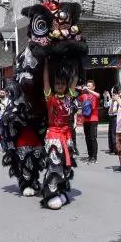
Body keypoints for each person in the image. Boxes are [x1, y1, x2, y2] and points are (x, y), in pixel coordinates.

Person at [41, 61, 78, 209]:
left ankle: (61, 191)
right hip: (54, 136)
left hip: (67, 135)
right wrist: (45, 63)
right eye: (58, 83)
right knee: (55, 166)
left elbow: (74, 78)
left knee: (66, 168)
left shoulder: (70, 96)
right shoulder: (50, 98)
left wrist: (75, 60)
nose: (60, 85)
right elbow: (45, 81)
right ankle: (50, 195)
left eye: (63, 83)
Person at [78, 79, 100, 163]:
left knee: (93, 138)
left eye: (90, 86)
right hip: (85, 120)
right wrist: (80, 89)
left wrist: (89, 90)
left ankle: (94, 157)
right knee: (87, 138)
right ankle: (90, 156)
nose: (88, 87)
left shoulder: (95, 95)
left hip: (93, 119)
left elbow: (98, 95)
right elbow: (78, 98)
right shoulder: (84, 96)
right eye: (87, 86)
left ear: (93, 87)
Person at [106, 86, 119, 154]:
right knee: (110, 133)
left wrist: (113, 101)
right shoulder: (111, 99)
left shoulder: (118, 99)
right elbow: (107, 107)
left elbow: (114, 110)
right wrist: (107, 97)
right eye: (111, 91)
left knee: (114, 133)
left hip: (115, 117)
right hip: (111, 117)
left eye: (112, 91)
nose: (111, 92)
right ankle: (111, 148)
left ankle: (116, 149)